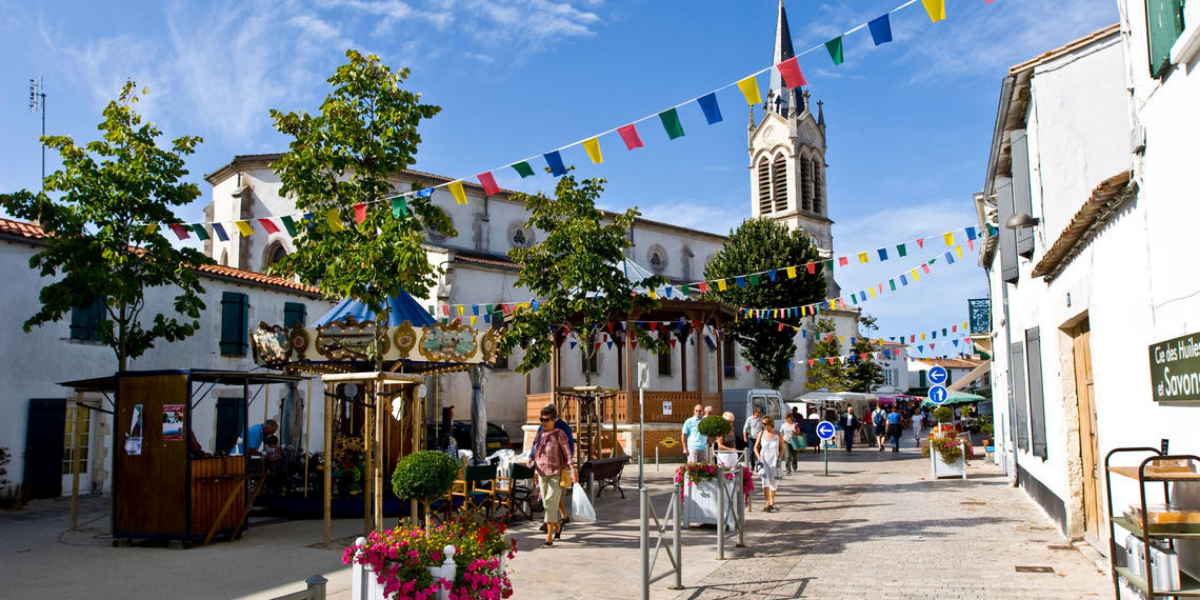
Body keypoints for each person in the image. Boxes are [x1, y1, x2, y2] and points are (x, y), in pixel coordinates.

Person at [531, 405, 576, 547]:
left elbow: (568, 452)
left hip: (556, 472)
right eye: (542, 420)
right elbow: (537, 453)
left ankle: (549, 537)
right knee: (546, 503)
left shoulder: (559, 433)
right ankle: (557, 525)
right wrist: (535, 472)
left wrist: (573, 469)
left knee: (550, 502)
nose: (544, 422)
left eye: (547, 420)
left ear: (554, 420)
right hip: (542, 473)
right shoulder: (540, 434)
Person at [755, 416, 781, 512]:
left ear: (771, 424)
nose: (763, 425)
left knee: (773, 482)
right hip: (764, 461)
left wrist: (779, 458)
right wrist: (759, 458)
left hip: (774, 460)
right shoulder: (761, 434)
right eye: (762, 423)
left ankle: (772, 502)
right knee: (765, 482)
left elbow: (782, 448)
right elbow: (755, 447)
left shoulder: (778, 434)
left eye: (765, 424)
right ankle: (767, 503)